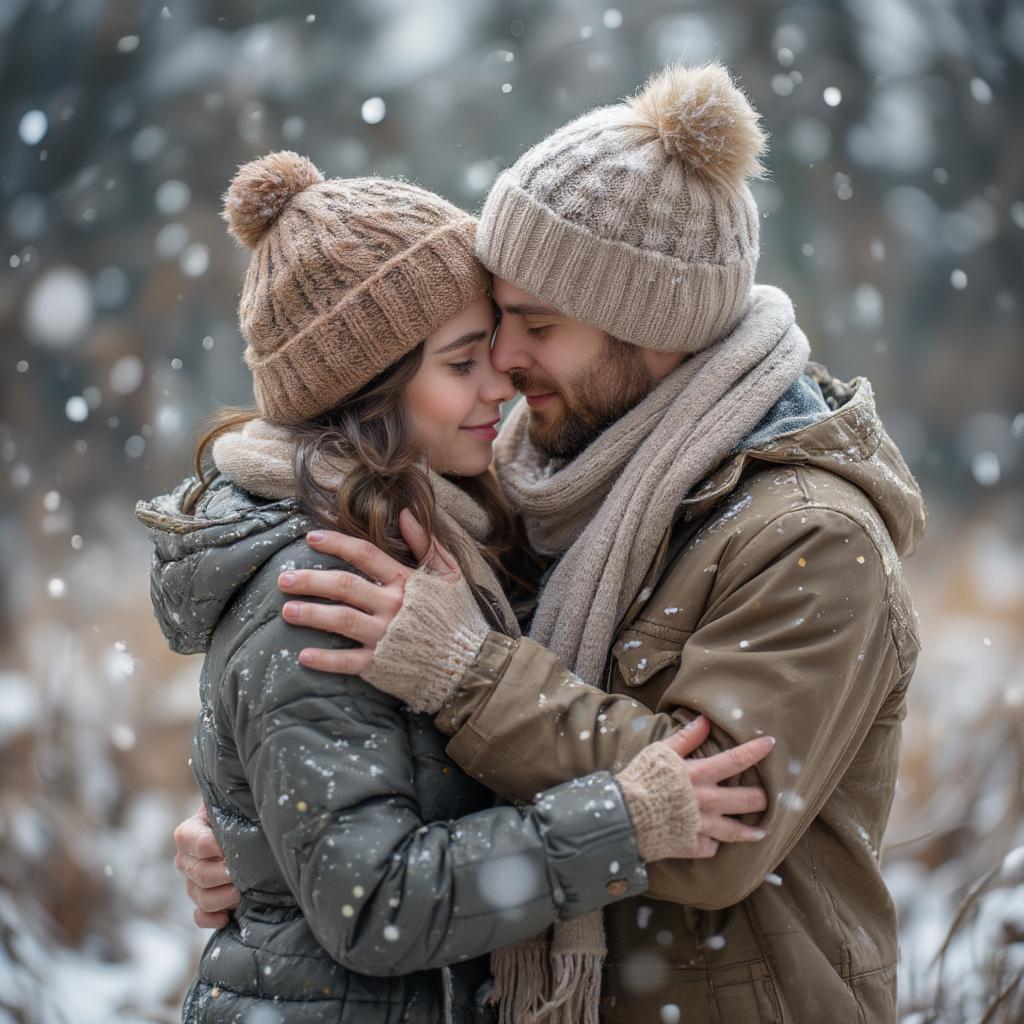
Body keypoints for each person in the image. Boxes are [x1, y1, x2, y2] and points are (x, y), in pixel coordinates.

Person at [177, 63, 927, 1022]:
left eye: (535, 326)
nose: (507, 362)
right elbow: (378, 761)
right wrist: (259, 831)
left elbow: (721, 823)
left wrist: (465, 669)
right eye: (490, 331)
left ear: (648, 327)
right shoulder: (528, 491)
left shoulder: (807, 536)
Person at [140, 149, 774, 1023]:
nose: (502, 383)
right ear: (368, 390)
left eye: (505, 345)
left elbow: (361, 800)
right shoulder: (325, 578)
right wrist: (620, 822)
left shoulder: (444, 537)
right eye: (462, 361)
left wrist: (255, 842)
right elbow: (376, 904)